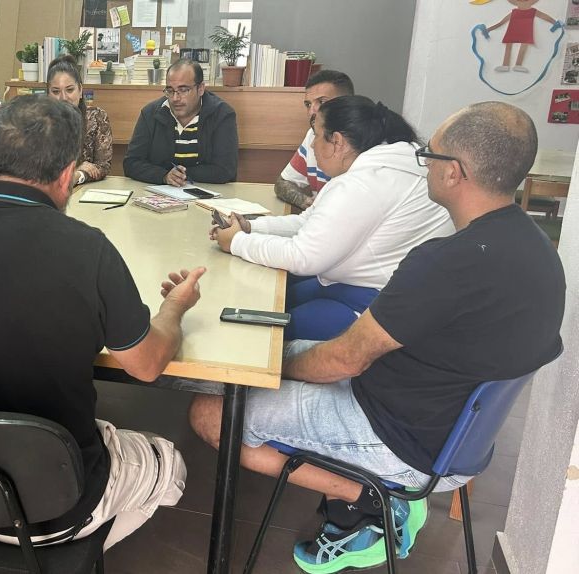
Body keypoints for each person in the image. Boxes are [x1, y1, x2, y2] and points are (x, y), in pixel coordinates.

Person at [190, 101, 565, 573]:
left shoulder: (446, 262)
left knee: (211, 413)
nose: (422, 164)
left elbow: (344, 360)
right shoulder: (539, 251)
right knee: (250, 366)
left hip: (398, 437)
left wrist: (273, 370)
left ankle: (372, 498)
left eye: (429, 155)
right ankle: (364, 492)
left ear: (454, 172)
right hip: (451, 429)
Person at [0, 95, 206, 551]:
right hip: (49, 506)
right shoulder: (87, 249)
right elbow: (147, 365)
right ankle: (62, 554)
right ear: (66, 175)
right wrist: (174, 308)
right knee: (170, 463)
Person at [211, 96, 454, 341]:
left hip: (377, 306)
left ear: (337, 142)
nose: (312, 145)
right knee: (278, 295)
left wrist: (236, 242)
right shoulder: (385, 163)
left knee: (267, 330)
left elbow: (303, 256)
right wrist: (251, 227)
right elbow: (308, 222)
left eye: (316, 135)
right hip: (364, 284)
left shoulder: (363, 184)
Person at [123, 58, 238, 185]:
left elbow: (225, 170)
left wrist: (180, 175)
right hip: (161, 191)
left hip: (208, 192)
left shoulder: (222, 115)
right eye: (170, 91)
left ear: (200, 88)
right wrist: (164, 176)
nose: (175, 98)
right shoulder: (150, 114)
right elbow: (131, 163)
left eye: (183, 90)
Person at [275, 70, 354, 210]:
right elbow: (283, 183)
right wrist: (308, 203)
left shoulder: (363, 145)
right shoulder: (312, 135)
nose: (311, 111)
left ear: (347, 103)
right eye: (308, 104)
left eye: (322, 102)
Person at [46, 54, 113, 185]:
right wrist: (75, 172)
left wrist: (79, 175)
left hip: (83, 190)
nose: (63, 98)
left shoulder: (97, 117)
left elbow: (103, 166)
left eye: (70, 90)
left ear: (80, 90)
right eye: (56, 91)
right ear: (48, 93)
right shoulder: (40, 122)